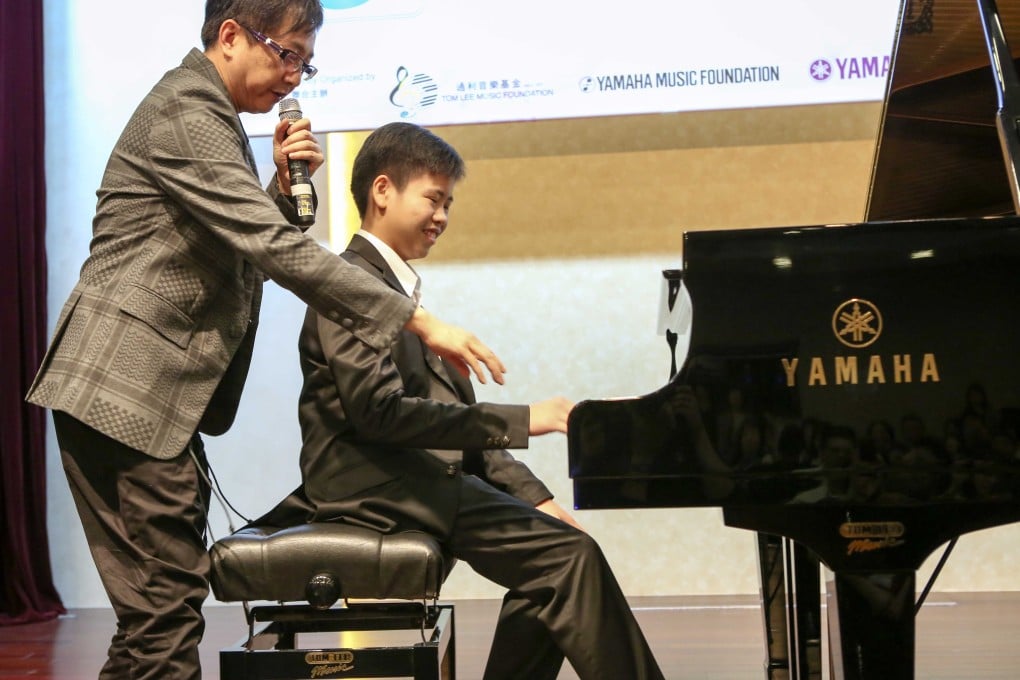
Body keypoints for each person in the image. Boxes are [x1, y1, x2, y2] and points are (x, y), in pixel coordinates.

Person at [25, 3, 506, 678]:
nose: (293, 76)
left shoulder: (207, 115)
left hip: (131, 394)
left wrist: (282, 190)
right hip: (126, 387)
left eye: (304, 63)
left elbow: (233, 246)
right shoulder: (189, 112)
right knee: (163, 614)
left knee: (151, 622)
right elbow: (272, 248)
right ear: (231, 36)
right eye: (287, 54)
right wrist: (413, 318)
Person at [258, 121, 664, 679]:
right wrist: (530, 419)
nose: (442, 216)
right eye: (432, 198)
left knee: (560, 561)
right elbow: (381, 416)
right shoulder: (349, 283)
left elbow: (451, 429)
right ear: (382, 191)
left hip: (410, 477)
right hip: (373, 486)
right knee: (572, 561)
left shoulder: (395, 292)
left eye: (448, 202)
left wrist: (534, 498)